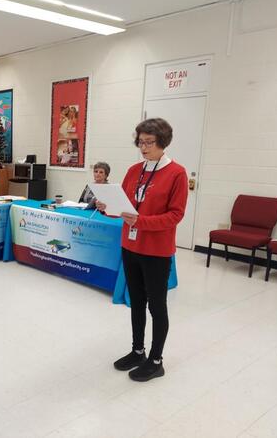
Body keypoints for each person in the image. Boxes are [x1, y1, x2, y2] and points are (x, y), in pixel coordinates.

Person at [98, 118, 187, 382]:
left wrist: (142, 221)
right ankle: (138, 350)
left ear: (163, 142)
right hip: (131, 246)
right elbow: (125, 206)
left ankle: (156, 360)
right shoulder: (134, 170)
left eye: (149, 142)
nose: (144, 147)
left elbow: (175, 215)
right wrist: (109, 208)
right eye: (140, 142)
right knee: (136, 301)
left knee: (156, 306)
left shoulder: (177, 173)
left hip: (157, 250)